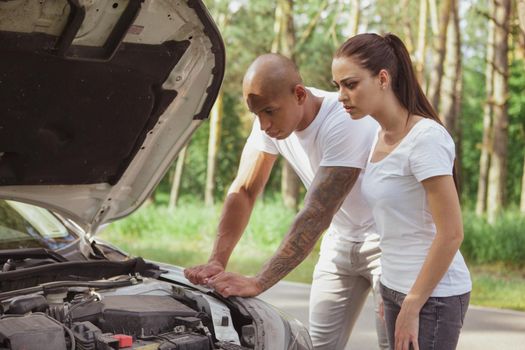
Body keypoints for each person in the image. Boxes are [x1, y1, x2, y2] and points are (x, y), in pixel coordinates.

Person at [184, 53, 389, 350]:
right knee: (316, 346)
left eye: (269, 112)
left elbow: (316, 213)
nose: (264, 124)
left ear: (300, 94)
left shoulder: (345, 119)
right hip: (341, 241)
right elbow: (244, 190)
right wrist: (217, 260)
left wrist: (259, 281)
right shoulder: (268, 121)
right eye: (257, 114)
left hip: (384, 242)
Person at [331, 33, 472, 350]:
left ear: (383, 78)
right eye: (337, 85)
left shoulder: (426, 139)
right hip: (394, 287)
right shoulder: (377, 136)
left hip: (433, 297)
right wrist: (388, 289)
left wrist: (412, 304)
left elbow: (451, 233)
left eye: (350, 84)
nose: (341, 95)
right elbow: (391, 225)